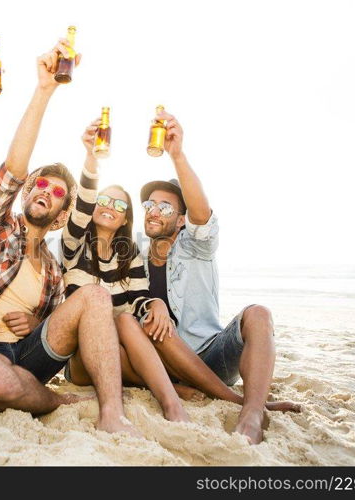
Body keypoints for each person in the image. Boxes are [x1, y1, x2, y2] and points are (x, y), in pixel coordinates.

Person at [0, 40, 141, 436]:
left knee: (93, 296)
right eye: (40, 185)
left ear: (60, 218)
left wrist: (39, 320)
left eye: (57, 194)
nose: (44, 192)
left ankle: (111, 411)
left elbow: (58, 323)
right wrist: (44, 91)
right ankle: (56, 399)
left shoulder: (55, 268)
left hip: (29, 353)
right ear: (26, 192)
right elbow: (12, 171)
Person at [116, 107, 301, 444]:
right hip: (163, 359)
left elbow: (202, 214)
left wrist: (177, 155)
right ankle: (206, 394)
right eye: (150, 205)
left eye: (166, 207)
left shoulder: (195, 245)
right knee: (132, 328)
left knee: (258, 314)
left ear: (182, 219)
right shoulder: (135, 256)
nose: (154, 211)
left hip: (211, 354)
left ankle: (253, 411)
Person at [60, 117, 195, 423]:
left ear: (124, 219)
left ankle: (171, 403)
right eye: (104, 200)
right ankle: (171, 389)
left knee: (127, 324)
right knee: (119, 326)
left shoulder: (129, 254)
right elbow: (81, 205)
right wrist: (92, 158)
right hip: (82, 355)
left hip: (118, 351)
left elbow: (137, 300)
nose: (110, 206)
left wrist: (156, 303)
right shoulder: (74, 244)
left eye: (120, 205)